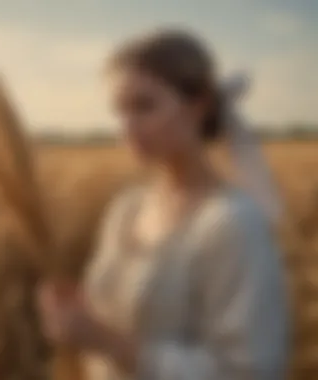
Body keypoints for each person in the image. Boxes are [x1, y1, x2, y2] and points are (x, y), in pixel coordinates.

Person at [36, 29, 290, 380]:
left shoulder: (233, 224)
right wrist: (75, 317)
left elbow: (249, 371)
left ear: (198, 105)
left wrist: (108, 343)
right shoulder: (126, 210)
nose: (127, 127)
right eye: (120, 110)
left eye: (144, 106)